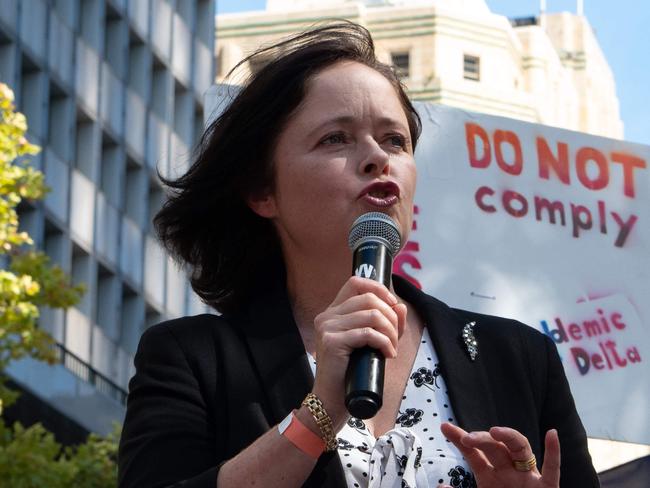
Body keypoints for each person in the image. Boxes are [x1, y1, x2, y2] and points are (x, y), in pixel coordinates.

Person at [118, 22, 599, 488]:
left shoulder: (517, 356)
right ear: (262, 191)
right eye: (335, 138)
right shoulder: (191, 358)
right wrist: (320, 410)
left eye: (395, 140)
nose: (377, 157)